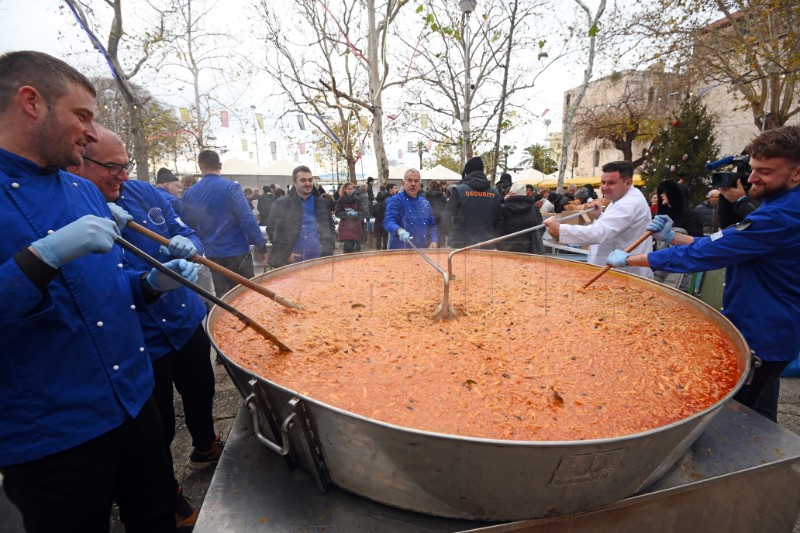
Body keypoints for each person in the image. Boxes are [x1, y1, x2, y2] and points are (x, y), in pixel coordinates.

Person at [0, 50, 199, 533]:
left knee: (155, 520)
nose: (91, 132)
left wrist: (151, 284)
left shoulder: (84, 190)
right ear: (31, 102)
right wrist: (41, 257)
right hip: (53, 435)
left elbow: (105, 292)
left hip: (133, 402)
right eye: (83, 116)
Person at [71, 125, 226, 526]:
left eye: (126, 166)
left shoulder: (144, 192)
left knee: (201, 389)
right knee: (156, 424)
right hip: (141, 338)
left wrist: (191, 246)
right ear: (78, 160)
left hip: (185, 317)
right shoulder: (74, 212)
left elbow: (185, 230)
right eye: (112, 167)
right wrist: (152, 282)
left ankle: (206, 444)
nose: (123, 176)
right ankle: (168, 491)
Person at [605, 126, 800, 421]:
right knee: (760, 411)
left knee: (733, 418)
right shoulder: (778, 203)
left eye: (765, 171)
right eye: (752, 168)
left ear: (796, 173)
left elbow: (706, 255)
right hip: (769, 329)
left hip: (763, 333)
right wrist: (674, 238)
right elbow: (722, 242)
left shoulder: (783, 214)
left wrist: (633, 259)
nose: (751, 178)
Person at [542, 161, 653, 279]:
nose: (605, 187)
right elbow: (615, 227)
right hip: (615, 272)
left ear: (627, 182)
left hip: (626, 275)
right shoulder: (621, 198)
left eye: (611, 183)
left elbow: (598, 232)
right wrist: (599, 215)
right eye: (603, 182)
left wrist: (559, 228)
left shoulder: (630, 203)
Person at [182, 149, 268, 297]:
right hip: (238, 252)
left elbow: (187, 226)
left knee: (223, 297)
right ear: (220, 165)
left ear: (200, 167)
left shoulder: (189, 193)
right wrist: (261, 246)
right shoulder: (231, 187)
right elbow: (247, 218)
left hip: (213, 255)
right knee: (247, 295)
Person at [266, 165, 336, 268]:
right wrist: (286, 253)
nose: (307, 183)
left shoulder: (323, 203)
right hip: (292, 262)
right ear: (295, 183)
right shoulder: (281, 203)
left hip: (320, 260)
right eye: (303, 180)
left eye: (310, 180)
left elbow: (331, 227)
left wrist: (329, 249)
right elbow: (272, 231)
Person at [443, 156, 502, 248]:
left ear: (467, 173)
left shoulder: (459, 191)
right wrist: (493, 241)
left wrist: (453, 236)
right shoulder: (494, 193)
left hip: (461, 246)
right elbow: (499, 222)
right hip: (486, 245)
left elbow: (447, 217)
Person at [383, 169, 438, 249]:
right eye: (409, 180)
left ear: (419, 185)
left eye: (416, 181)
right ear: (403, 183)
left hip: (422, 249)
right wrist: (399, 230)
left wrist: (433, 240)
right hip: (400, 250)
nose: (413, 184)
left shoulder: (425, 203)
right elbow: (388, 221)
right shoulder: (395, 200)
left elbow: (432, 226)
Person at [499, 181, 545, 254]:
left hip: (505, 248)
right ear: (525, 193)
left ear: (511, 193)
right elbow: (541, 227)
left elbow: (496, 227)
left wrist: (502, 200)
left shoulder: (502, 208)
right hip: (528, 248)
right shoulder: (533, 208)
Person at [335, 182, 363, 253]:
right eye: (348, 189)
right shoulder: (341, 200)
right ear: (345, 190)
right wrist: (346, 213)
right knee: (348, 246)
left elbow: (362, 211)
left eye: (352, 189)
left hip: (355, 225)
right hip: (345, 225)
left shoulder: (357, 199)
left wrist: (357, 213)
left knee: (353, 246)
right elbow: (337, 213)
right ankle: (346, 259)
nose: (350, 191)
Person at [371, 182, 395, 250]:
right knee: (385, 237)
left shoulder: (376, 205)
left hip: (377, 222)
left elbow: (372, 212)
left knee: (378, 238)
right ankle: (384, 250)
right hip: (384, 222)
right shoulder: (386, 203)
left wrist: (377, 217)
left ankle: (378, 249)